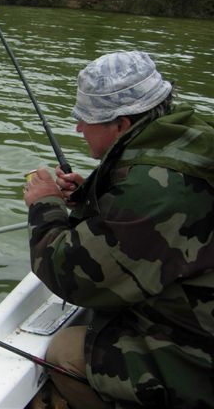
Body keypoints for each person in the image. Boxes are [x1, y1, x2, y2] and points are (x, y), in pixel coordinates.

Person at [22, 51, 214, 408]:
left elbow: (69, 277)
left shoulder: (152, 193)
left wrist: (45, 205)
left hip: (201, 355)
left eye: (86, 119)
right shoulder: (191, 134)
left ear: (121, 125)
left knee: (66, 352)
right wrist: (90, 197)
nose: (78, 128)